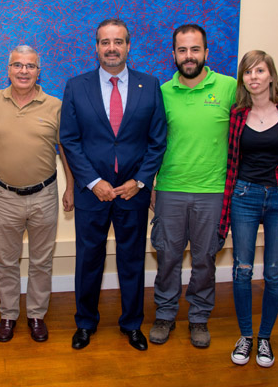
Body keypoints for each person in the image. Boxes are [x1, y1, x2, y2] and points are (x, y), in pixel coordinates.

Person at [60, 18, 167, 351]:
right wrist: (92, 182)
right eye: (105, 42)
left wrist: (140, 181)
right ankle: (85, 323)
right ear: (96, 47)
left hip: (132, 191)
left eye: (118, 41)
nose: (111, 48)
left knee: (132, 259)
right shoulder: (77, 86)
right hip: (93, 192)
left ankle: (132, 324)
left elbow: (158, 140)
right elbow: (69, 139)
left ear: (128, 46)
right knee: (88, 259)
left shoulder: (149, 86)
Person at [219, 50, 278, 367]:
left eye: (259, 70)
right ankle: (245, 336)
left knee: (273, 273)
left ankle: (265, 339)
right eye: (247, 72)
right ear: (242, 79)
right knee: (242, 269)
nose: (254, 77)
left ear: (271, 75)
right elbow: (231, 164)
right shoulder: (236, 113)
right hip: (244, 196)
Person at [148, 24, 237, 349]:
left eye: (195, 49)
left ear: (206, 53)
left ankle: (199, 318)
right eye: (182, 50)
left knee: (205, 259)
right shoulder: (162, 93)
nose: (189, 56)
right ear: (174, 54)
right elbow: (151, 142)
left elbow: (260, 122)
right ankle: (165, 314)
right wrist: (152, 184)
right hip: (170, 189)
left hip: (214, 192)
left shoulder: (228, 88)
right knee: (168, 257)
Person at [0, 45, 74, 343]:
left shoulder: (55, 106)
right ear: (8, 69)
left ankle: (36, 314)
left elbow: (66, 152)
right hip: (5, 195)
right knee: (6, 260)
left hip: (44, 195)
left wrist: (70, 187)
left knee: (41, 260)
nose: (24, 71)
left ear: (39, 70)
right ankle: (8, 314)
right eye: (17, 65)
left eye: (30, 66)